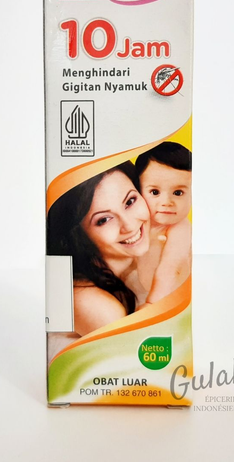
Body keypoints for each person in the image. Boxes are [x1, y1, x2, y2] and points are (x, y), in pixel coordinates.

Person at [47, 162, 151, 338]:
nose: (129, 225)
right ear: (79, 236)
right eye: (104, 220)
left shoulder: (143, 262)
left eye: (130, 201)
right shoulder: (92, 304)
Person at [134, 142, 192, 305]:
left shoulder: (180, 228)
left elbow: (172, 268)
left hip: (166, 296)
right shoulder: (136, 221)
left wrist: (152, 303)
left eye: (178, 193)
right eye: (155, 192)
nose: (166, 202)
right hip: (140, 291)